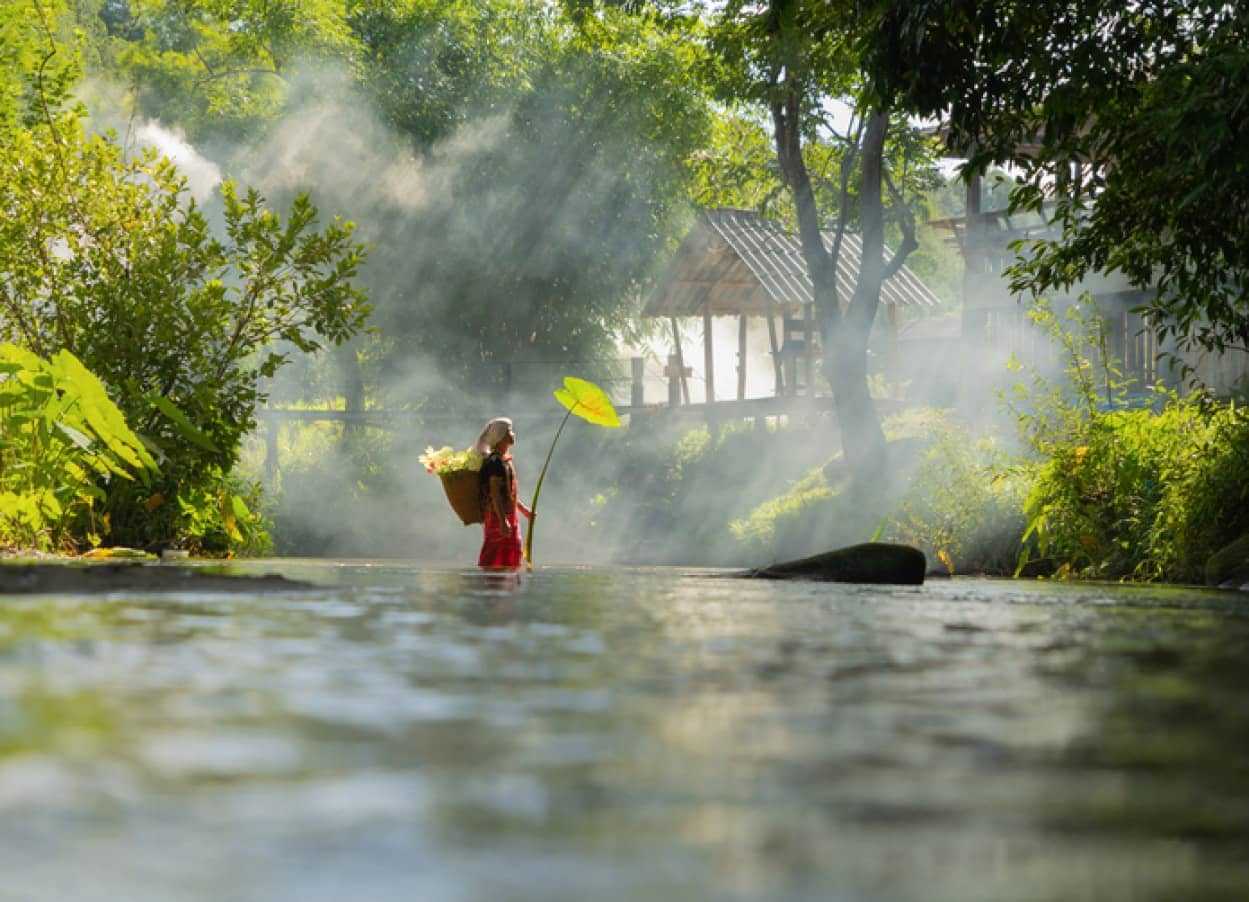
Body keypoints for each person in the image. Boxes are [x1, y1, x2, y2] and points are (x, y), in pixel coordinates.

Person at [474, 417, 533, 569]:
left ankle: (506, 587)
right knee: (495, 552)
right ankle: (491, 586)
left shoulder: (504, 461)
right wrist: (502, 521)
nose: (513, 434)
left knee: (510, 552)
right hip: (497, 517)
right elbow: (495, 494)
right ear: (501, 437)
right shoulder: (495, 462)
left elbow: (508, 492)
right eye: (509, 431)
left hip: (507, 516)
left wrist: (523, 510)